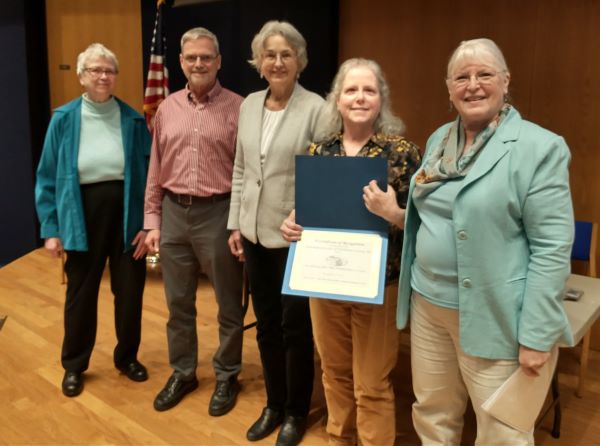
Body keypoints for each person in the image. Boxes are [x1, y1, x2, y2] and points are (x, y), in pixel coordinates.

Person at [396, 38, 574, 445]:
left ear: (506, 82)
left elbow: (551, 249)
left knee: (502, 431)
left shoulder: (539, 148)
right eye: (462, 77)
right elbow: (427, 212)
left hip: (496, 316)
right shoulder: (442, 137)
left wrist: (536, 335)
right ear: (449, 88)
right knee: (432, 414)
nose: (472, 85)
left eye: (484, 74)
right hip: (429, 305)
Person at [281, 58, 421, 446]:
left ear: (381, 100)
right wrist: (292, 223)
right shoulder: (319, 150)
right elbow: (308, 213)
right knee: (334, 372)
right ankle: (339, 439)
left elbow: (424, 226)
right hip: (324, 281)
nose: (360, 97)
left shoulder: (403, 152)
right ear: (337, 100)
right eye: (351, 90)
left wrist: (393, 213)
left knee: (372, 382)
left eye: (369, 90)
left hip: (379, 285)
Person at [226, 20, 324, 446]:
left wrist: (304, 212)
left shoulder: (317, 108)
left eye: (286, 54)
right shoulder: (248, 105)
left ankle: (295, 412)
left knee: (295, 328)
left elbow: (323, 175)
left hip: (294, 237)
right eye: (270, 54)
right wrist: (235, 222)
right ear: (259, 62)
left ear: (300, 61)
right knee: (265, 324)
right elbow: (241, 169)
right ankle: (273, 403)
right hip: (252, 233)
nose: (278, 61)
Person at [35, 43, 151, 397]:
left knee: (130, 292)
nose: (103, 76)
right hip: (80, 216)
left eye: (109, 71)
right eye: (95, 70)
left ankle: (127, 357)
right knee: (81, 294)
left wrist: (148, 223)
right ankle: (74, 365)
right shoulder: (64, 119)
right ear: (82, 76)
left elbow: (149, 175)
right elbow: (47, 177)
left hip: (127, 216)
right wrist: (51, 229)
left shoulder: (132, 119)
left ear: (116, 76)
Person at [144, 27, 244, 415]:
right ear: (181, 63)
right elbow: (156, 167)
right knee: (177, 303)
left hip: (218, 213)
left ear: (218, 61)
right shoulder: (167, 108)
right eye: (191, 58)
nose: (198, 63)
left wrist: (237, 222)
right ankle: (184, 371)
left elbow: (245, 170)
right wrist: (152, 221)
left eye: (206, 57)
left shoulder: (239, 107)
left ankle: (227, 373)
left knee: (228, 305)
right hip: (172, 214)